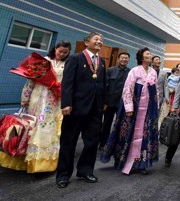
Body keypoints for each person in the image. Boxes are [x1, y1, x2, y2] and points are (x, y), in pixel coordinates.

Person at [0, 41, 71, 173]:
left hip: (55, 101)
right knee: (32, 126)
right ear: (55, 48)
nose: (61, 54)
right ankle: (22, 156)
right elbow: (31, 80)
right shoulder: (43, 61)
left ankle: (42, 164)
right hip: (37, 97)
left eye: (65, 53)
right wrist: (24, 98)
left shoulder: (67, 65)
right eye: (60, 51)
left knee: (48, 129)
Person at [56, 32, 106, 188]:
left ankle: (85, 170)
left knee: (92, 142)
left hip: (95, 110)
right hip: (75, 108)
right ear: (86, 42)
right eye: (96, 39)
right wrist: (66, 103)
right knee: (68, 142)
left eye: (101, 40)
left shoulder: (101, 61)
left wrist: (102, 103)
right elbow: (67, 83)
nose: (99, 42)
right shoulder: (75, 58)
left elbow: (102, 84)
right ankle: (63, 175)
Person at [100, 47, 159, 175]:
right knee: (128, 133)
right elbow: (128, 89)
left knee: (145, 134)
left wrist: (156, 107)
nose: (150, 56)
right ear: (141, 57)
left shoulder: (153, 72)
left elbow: (157, 91)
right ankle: (123, 160)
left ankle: (141, 162)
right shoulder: (134, 71)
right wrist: (129, 107)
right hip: (135, 108)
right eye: (148, 54)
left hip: (148, 110)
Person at [99, 52, 130, 149]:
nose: (124, 59)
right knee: (106, 124)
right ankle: (103, 144)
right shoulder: (111, 70)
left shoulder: (130, 72)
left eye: (126, 58)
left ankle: (117, 144)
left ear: (128, 60)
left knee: (121, 124)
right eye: (122, 58)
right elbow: (105, 86)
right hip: (110, 103)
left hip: (123, 103)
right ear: (118, 59)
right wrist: (105, 102)